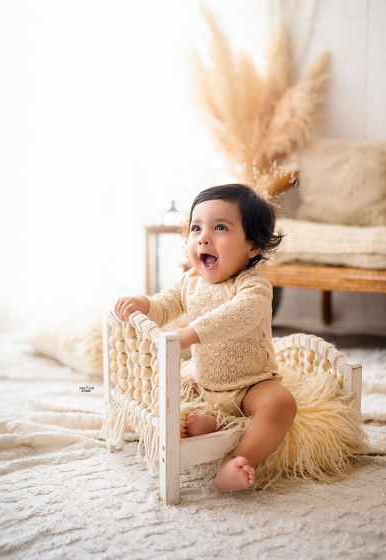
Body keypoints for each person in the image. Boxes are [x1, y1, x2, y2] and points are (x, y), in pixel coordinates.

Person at [115, 184, 297, 492]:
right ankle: (214, 420)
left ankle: (237, 460)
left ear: (252, 245)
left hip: (252, 383)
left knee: (281, 404)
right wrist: (144, 304)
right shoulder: (190, 281)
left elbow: (236, 316)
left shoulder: (254, 286)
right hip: (209, 383)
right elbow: (164, 305)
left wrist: (190, 334)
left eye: (221, 227)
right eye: (196, 227)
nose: (204, 236)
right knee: (184, 399)